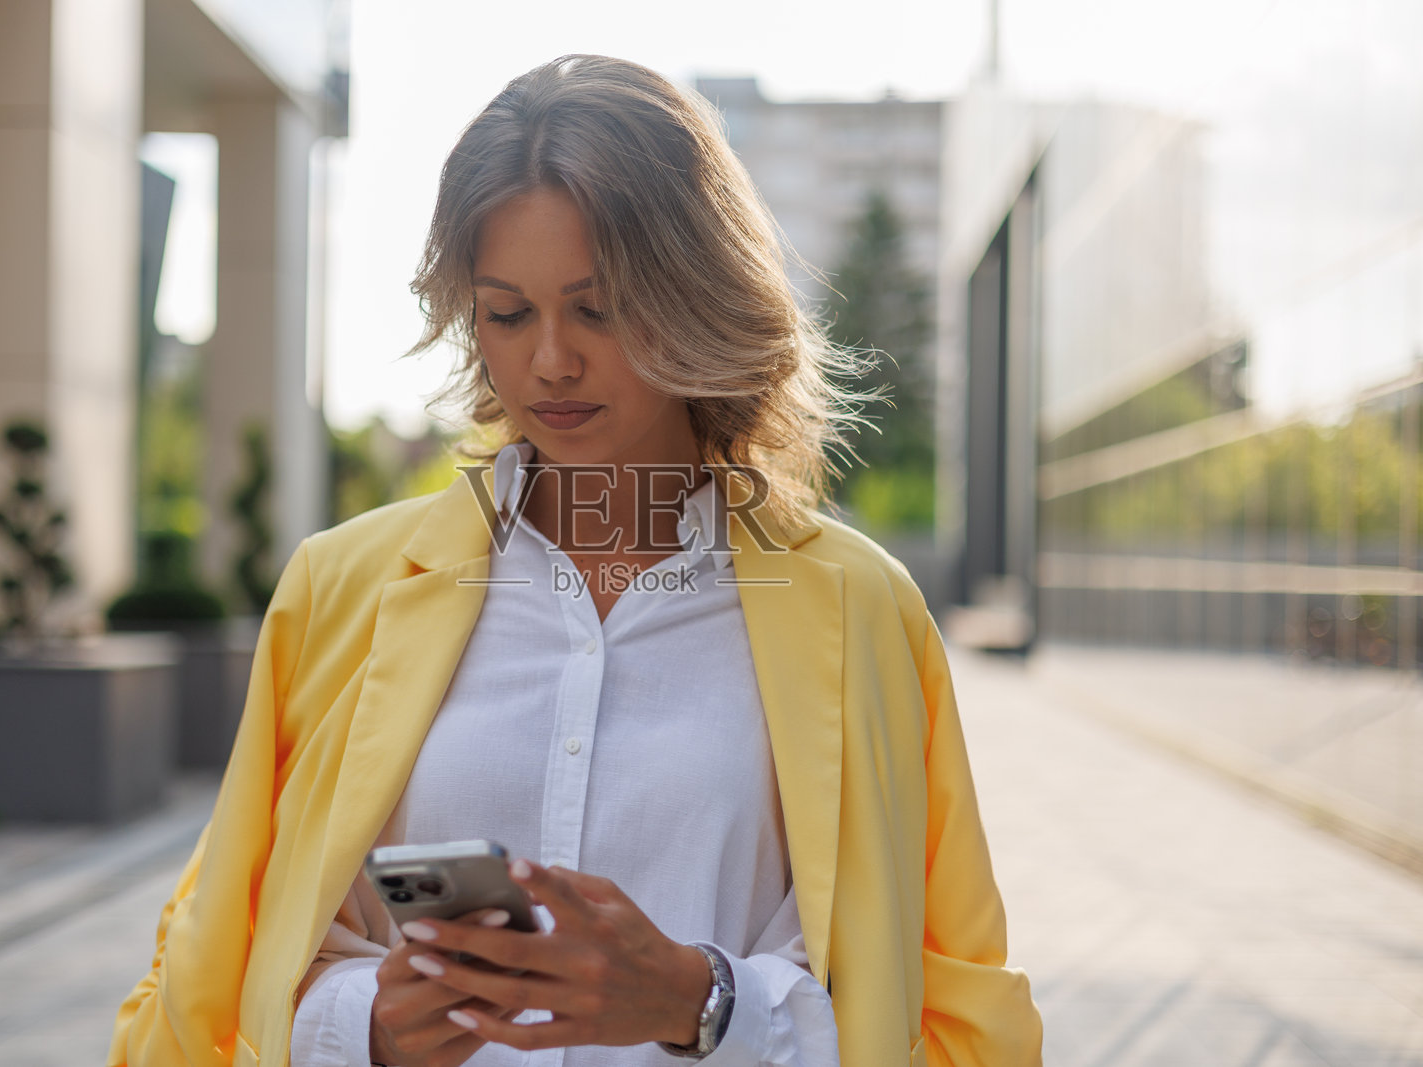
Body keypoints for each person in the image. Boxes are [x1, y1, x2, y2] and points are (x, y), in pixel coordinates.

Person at [108, 54, 1043, 1067]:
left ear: (697, 295)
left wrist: (700, 999)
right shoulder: (342, 590)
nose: (550, 358)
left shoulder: (861, 609)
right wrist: (367, 1026)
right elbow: (220, 966)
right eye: (507, 312)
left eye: (596, 307)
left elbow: (949, 1011)